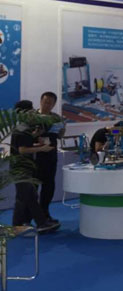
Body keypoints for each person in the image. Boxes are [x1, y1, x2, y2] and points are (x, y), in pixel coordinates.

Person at [10, 100, 60, 233]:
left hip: (24, 166)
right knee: (29, 196)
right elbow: (22, 150)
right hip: (21, 167)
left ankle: (19, 225)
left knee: (24, 197)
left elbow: (25, 144)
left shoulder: (23, 128)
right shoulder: (22, 129)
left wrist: (36, 136)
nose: (33, 112)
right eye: (31, 110)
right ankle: (41, 222)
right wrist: (42, 149)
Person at [35, 92, 64, 224]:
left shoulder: (56, 118)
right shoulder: (31, 116)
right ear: (41, 101)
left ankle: (45, 213)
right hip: (34, 155)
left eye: (50, 103)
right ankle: (29, 216)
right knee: (33, 186)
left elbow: (60, 135)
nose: (47, 105)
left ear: (54, 104)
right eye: (45, 102)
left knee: (49, 185)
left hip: (50, 155)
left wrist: (61, 129)